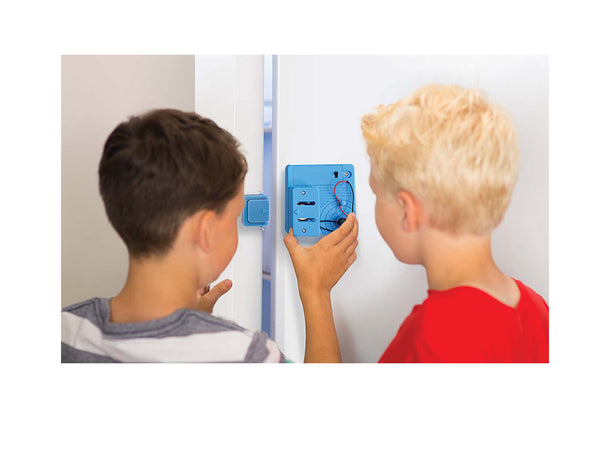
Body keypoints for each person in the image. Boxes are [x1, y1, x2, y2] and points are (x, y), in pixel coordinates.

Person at [62, 108, 358, 363]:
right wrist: (316, 290)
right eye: (235, 216)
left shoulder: (66, 329)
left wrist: (191, 318)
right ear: (206, 232)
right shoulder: (246, 355)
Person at [285, 84, 548, 362]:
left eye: (375, 193)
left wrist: (315, 290)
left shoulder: (430, 339)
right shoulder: (537, 310)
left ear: (407, 212)